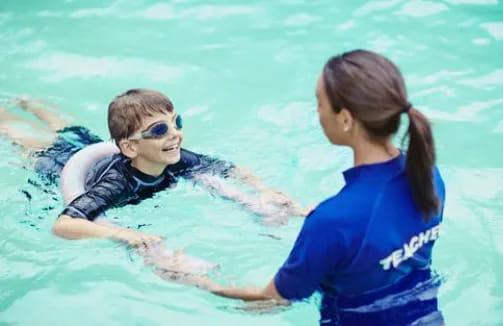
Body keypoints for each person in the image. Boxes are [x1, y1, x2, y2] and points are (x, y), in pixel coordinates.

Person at [189, 50, 447, 325]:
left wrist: (195, 280)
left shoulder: (332, 221)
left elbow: (272, 302)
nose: (318, 112)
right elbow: (380, 238)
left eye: (319, 102)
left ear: (346, 119)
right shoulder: (428, 174)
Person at [0, 89, 306, 249]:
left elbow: (231, 169)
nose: (175, 134)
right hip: (59, 164)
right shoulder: (116, 184)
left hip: (92, 149)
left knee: (71, 129)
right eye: (160, 129)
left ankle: (29, 102)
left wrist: (263, 190)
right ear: (131, 147)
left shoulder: (176, 156)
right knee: (18, 134)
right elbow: (63, 225)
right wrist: (122, 234)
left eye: (177, 122)